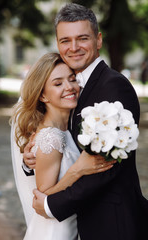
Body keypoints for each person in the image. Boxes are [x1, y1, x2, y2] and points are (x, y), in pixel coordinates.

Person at [22, 3, 148, 240]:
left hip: (112, 220)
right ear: (58, 43)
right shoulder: (74, 88)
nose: (73, 48)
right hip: (85, 220)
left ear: (98, 40)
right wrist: (33, 158)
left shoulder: (113, 86)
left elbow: (106, 166)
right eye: (65, 41)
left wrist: (52, 204)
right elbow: (63, 141)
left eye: (82, 38)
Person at [11, 52, 114, 240]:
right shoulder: (51, 137)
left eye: (72, 79)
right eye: (58, 84)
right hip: (54, 233)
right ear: (42, 95)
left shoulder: (69, 127)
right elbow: (42, 198)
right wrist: (77, 170)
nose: (69, 87)